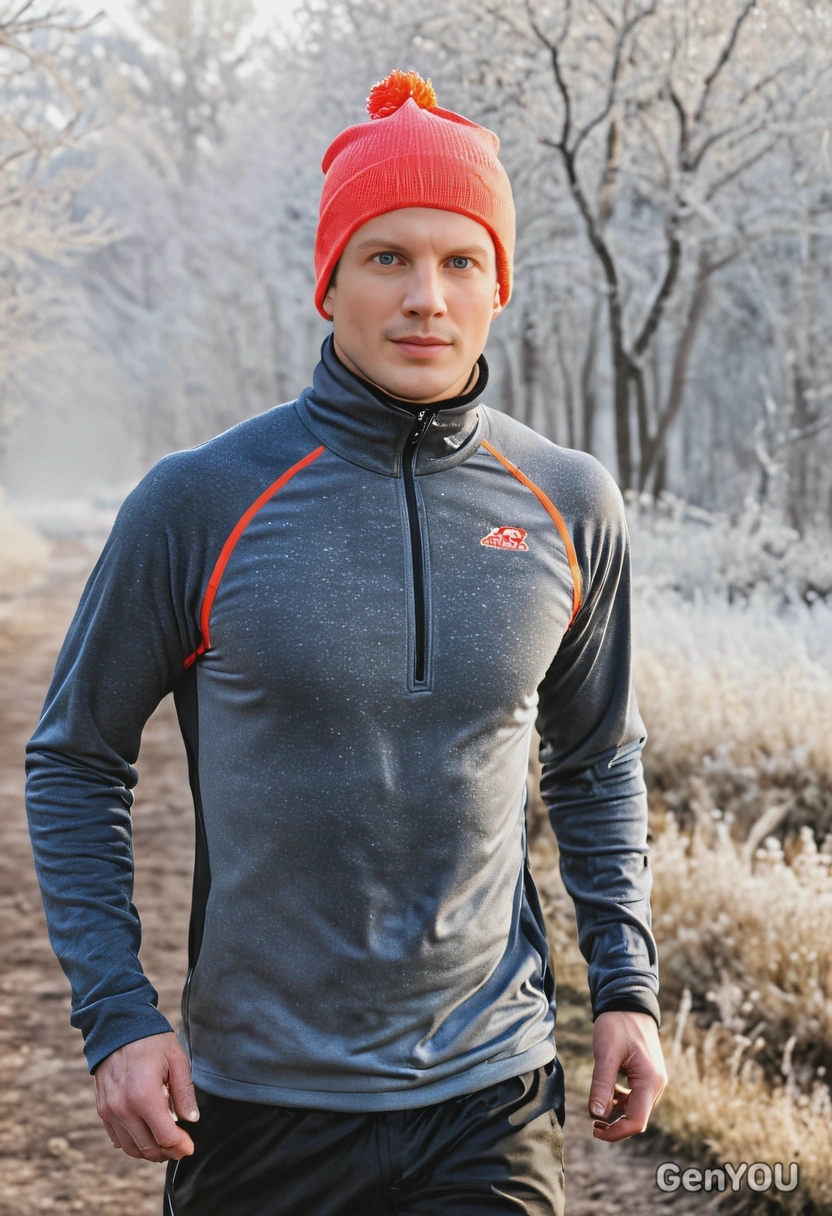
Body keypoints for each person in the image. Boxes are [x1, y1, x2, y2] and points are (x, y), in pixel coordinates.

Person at [25, 69, 666, 1215]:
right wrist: (117, 1015)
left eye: (459, 260)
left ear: (496, 287)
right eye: (388, 258)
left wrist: (626, 984)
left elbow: (597, 757)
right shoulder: (202, 501)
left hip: (491, 1090)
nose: (426, 295)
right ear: (330, 281)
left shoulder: (568, 502)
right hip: (259, 1103)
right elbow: (75, 756)